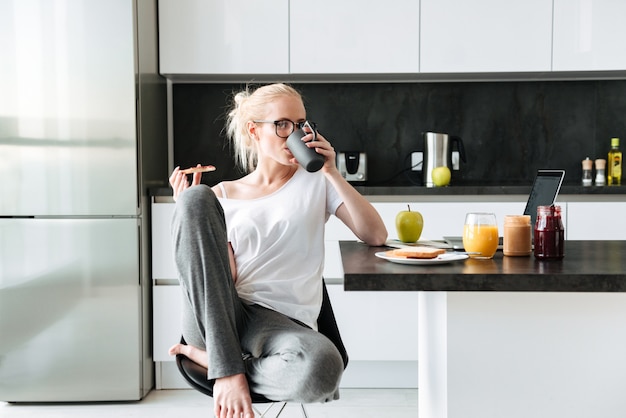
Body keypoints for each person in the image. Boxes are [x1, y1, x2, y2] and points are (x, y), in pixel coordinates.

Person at [167, 83, 387, 418]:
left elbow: (375, 235)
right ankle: (227, 370)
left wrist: (332, 172)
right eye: (282, 124)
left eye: (301, 124)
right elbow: (223, 279)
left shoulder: (315, 182)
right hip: (222, 317)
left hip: (282, 327)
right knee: (195, 199)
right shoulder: (223, 194)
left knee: (324, 368)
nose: (295, 133)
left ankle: (222, 364)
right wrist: (188, 215)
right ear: (254, 131)